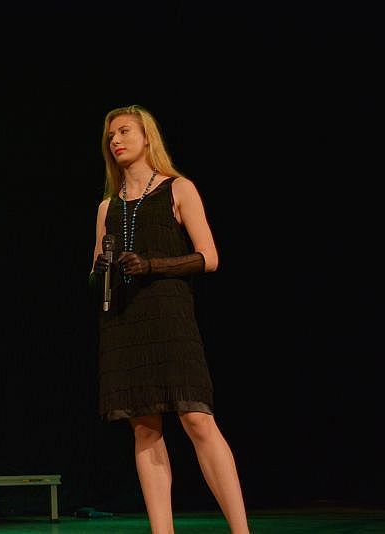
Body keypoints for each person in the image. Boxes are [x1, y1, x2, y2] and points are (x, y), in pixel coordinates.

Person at [90, 105, 249, 534]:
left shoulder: (179, 189)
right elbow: (94, 273)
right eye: (110, 135)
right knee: (144, 427)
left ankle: (241, 530)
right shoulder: (107, 207)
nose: (115, 140)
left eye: (124, 131)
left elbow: (209, 257)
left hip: (169, 317)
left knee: (197, 419)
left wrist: (152, 265)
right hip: (125, 324)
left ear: (147, 137)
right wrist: (101, 270)